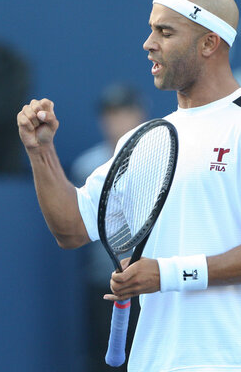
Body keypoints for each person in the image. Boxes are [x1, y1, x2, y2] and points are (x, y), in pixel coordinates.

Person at [17, 0, 241, 372]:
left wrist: (167, 273)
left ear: (209, 43)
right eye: (150, 29)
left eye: (165, 31)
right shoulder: (142, 141)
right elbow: (72, 228)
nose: (148, 43)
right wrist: (40, 151)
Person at [70, 83, 147, 372]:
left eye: (124, 112)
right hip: (104, 286)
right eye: (110, 114)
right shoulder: (86, 165)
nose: (117, 120)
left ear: (139, 114)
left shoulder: (161, 157)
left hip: (150, 287)